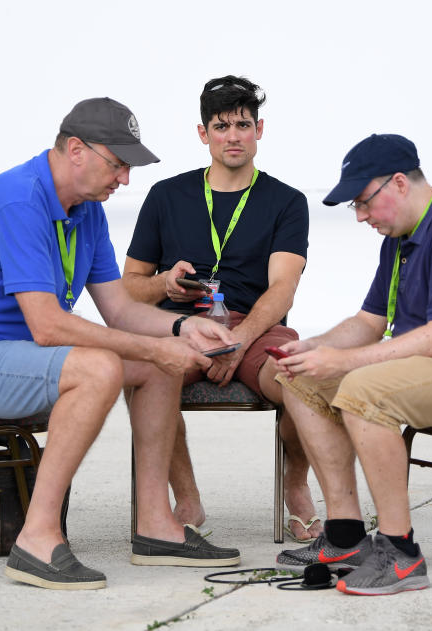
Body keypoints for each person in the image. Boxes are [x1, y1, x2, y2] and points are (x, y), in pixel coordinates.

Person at [0, 97, 242, 591]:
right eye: (118, 163)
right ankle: (37, 538)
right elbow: (47, 326)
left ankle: (155, 525)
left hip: (7, 356)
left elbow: (120, 310)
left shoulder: (85, 210)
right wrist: (149, 347)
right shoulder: (20, 200)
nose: (124, 179)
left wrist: (181, 330)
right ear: (76, 149)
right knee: (101, 367)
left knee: (156, 367)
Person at [271, 133, 432, 595]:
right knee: (300, 379)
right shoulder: (404, 234)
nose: (362, 216)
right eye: (356, 208)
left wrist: (343, 361)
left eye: (364, 202)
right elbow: (369, 321)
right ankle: (346, 538)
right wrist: (312, 349)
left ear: (400, 183)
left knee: (364, 390)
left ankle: (400, 552)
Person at [122, 75, 321, 542]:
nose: (233, 135)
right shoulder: (166, 196)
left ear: (260, 129)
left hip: (255, 328)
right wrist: (165, 283)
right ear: (202, 133)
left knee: (302, 376)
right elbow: (129, 290)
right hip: (183, 327)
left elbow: (283, 290)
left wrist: (239, 338)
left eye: (243, 124)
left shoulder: (286, 201)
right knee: (143, 372)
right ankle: (187, 498)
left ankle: (295, 486)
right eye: (221, 125)